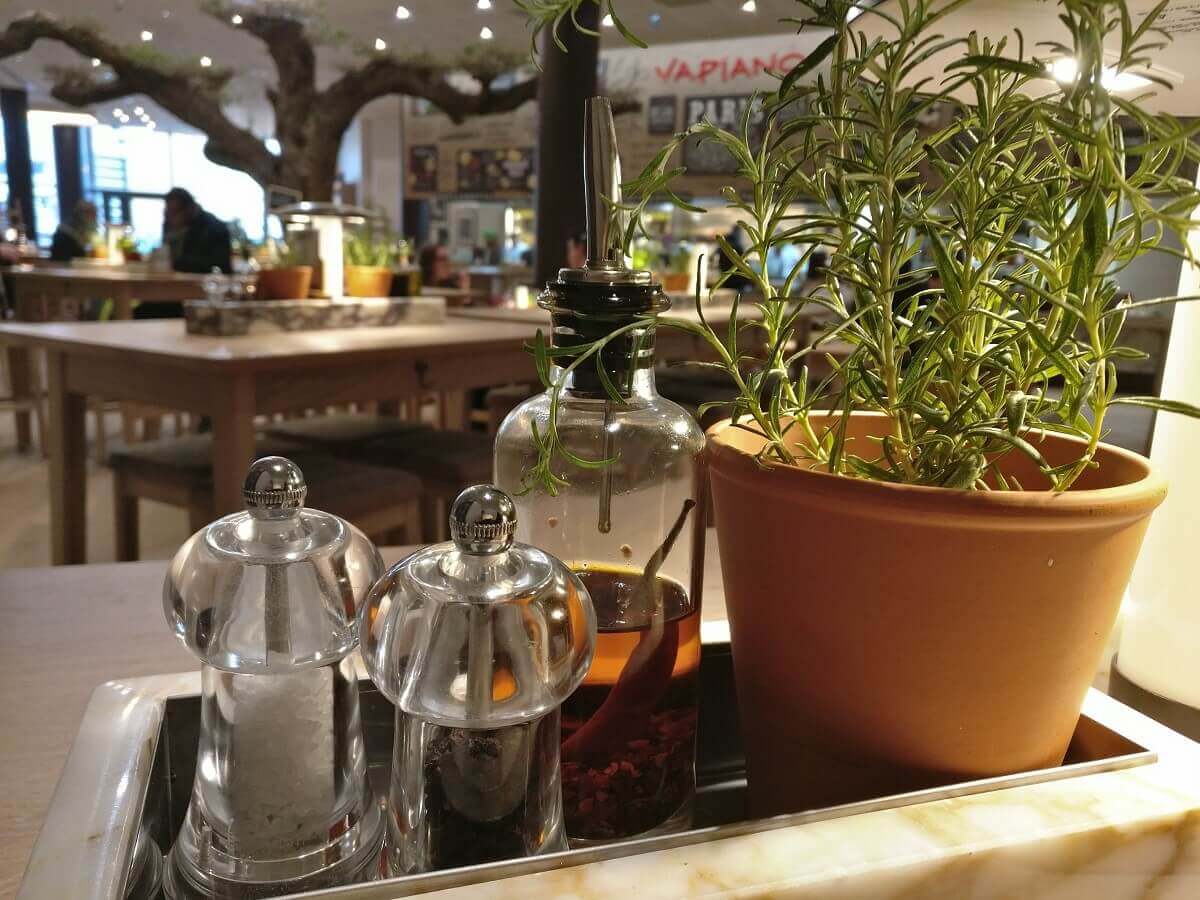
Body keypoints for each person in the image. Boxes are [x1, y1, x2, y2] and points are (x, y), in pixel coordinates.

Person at [161, 188, 232, 275]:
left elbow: (220, 266)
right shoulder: (170, 224)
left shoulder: (214, 228)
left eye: (174, 212)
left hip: (209, 284)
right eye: (167, 212)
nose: (169, 218)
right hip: (178, 282)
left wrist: (175, 263)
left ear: (189, 208)